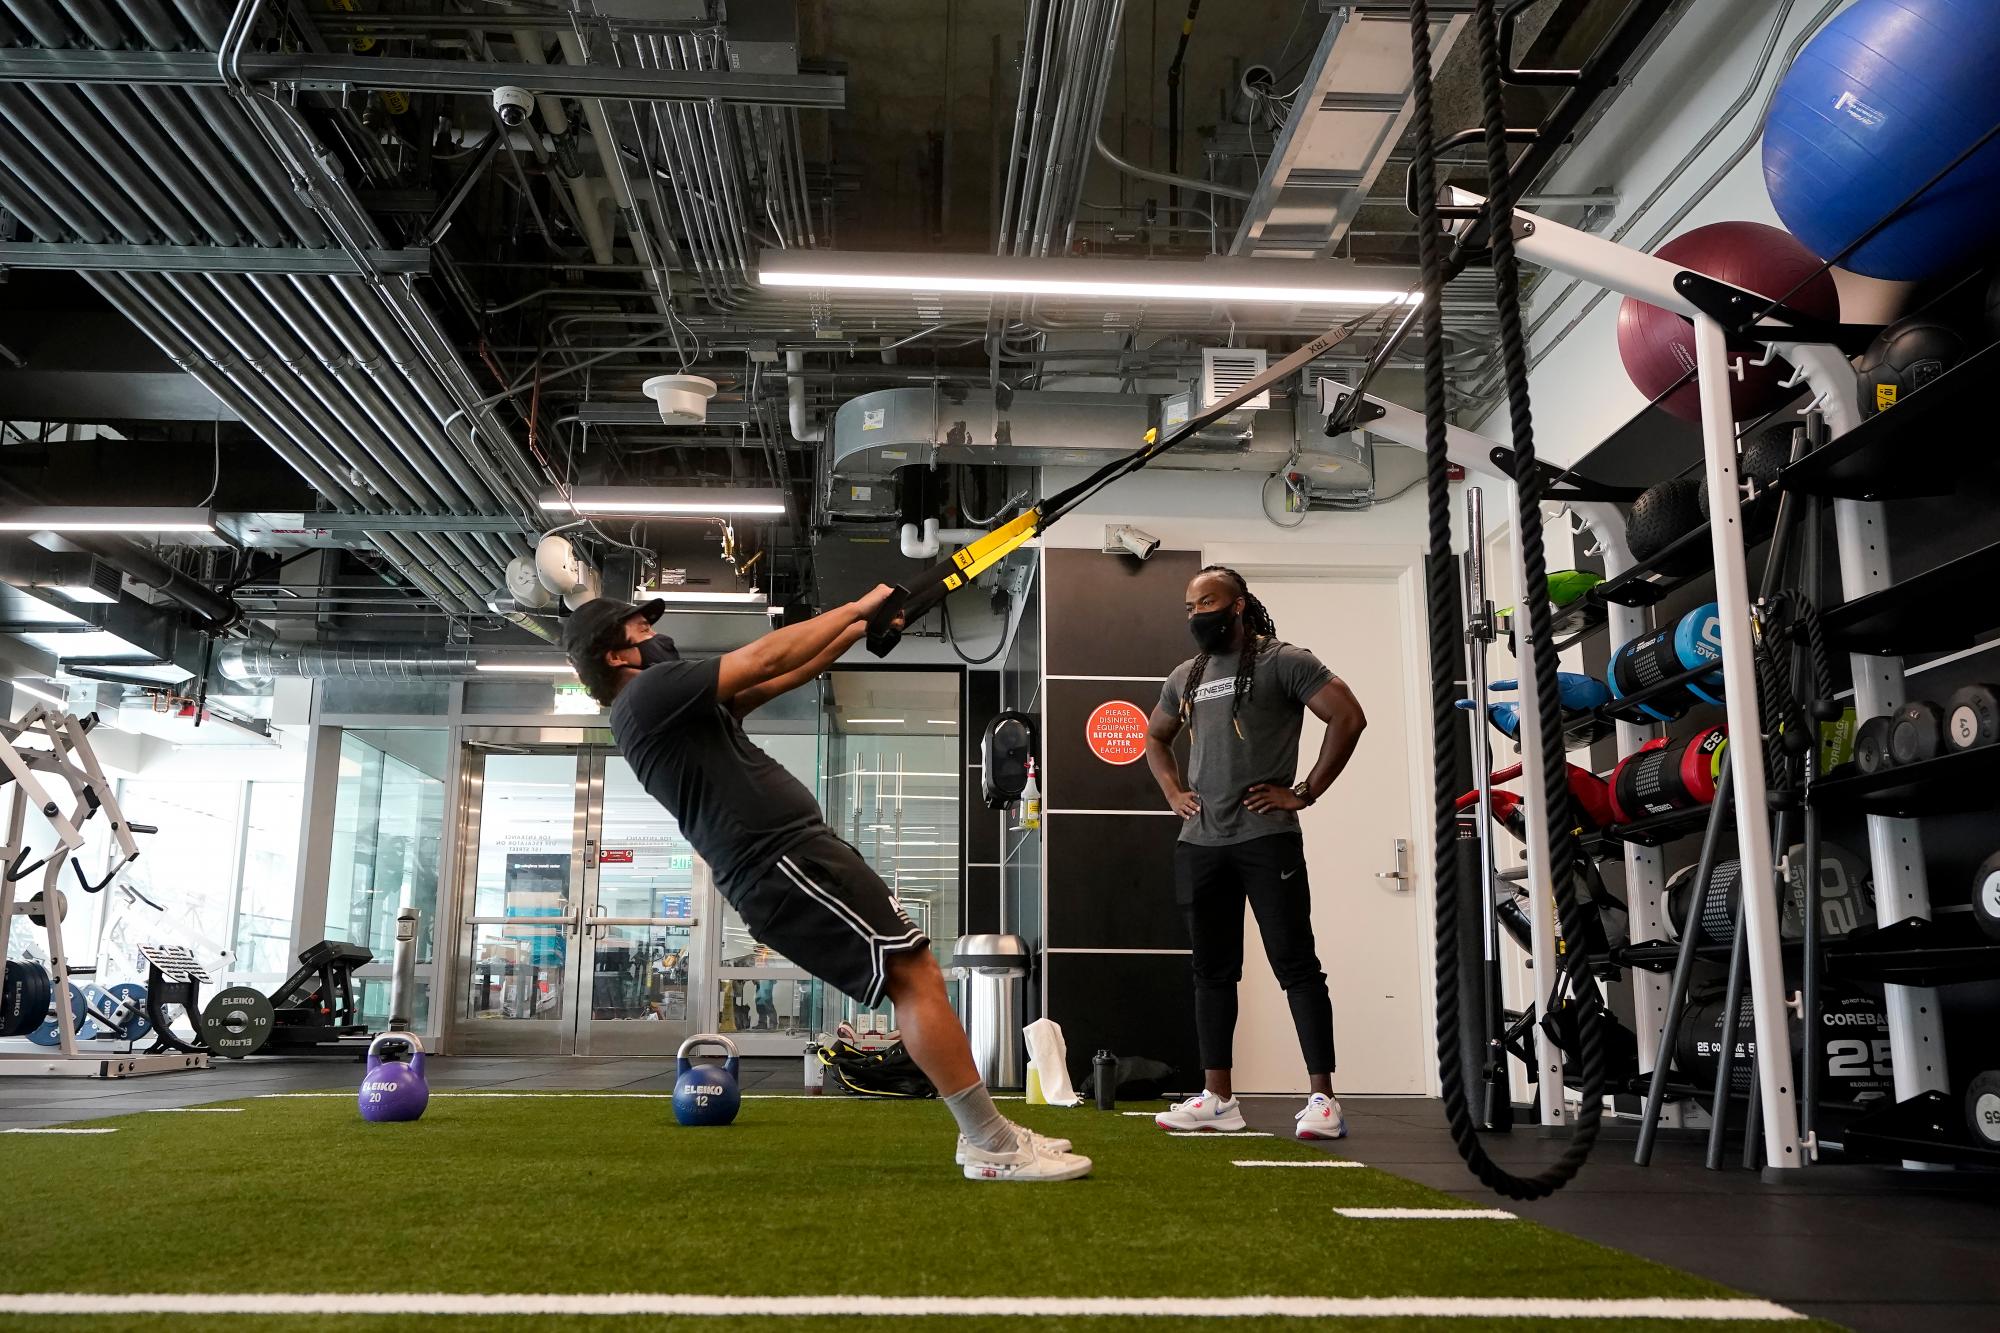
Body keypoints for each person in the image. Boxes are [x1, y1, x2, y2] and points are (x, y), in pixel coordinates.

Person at [565, 591, 1088, 1182]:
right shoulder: (646, 695)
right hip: (780, 861)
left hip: (795, 854)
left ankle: (989, 1133)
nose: (656, 633)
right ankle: (988, 1141)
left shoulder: (676, 708)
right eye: (641, 626)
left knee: (916, 973)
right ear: (615, 655)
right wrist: (860, 603)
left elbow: (786, 673)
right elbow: (763, 657)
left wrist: (857, 628)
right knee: (915, 974)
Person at [1143, 565, 1367, 1140]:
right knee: (1211, 972)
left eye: (1208, 603)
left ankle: (1323, 1099)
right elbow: (1155, 737)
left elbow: (1348, 716)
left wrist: (1305, 792)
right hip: (1200, 845)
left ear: (1238, 605)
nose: (1197, 615)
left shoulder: (1284, 661)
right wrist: (1173, 792)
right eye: (1190, 607)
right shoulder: (1184, 677)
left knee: (1295, 964)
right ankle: (1219, 1099)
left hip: (1266, 839)